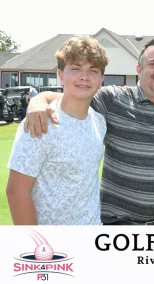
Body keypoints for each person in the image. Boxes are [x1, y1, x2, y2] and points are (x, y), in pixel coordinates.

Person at [24, 38, 154, 225]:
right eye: (152, 64)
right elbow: (73, 97)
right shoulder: (112, 99)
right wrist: (39, 100)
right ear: (138, 70)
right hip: (117, 225)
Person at [6, 36, 109, 225]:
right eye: (76, 69)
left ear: (101, 79)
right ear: (61, 75)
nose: (84, 77)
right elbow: (16, 192)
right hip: (53, 245)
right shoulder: (40, 122)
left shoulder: (99, 121)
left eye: (92, 71)